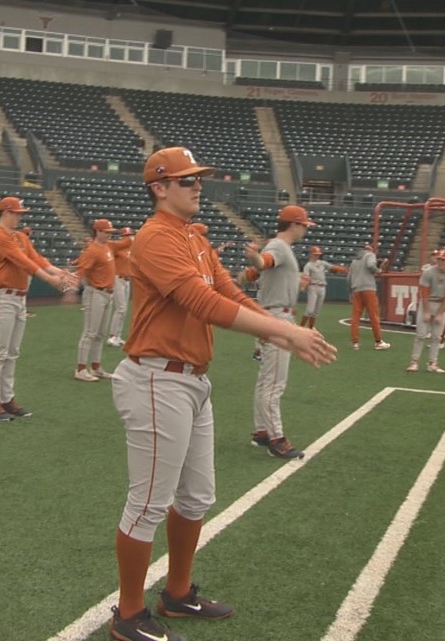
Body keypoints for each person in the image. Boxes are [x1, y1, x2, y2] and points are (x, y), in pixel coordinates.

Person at [109, 148, 336, 641]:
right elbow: (200, 301)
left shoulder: (193, 236)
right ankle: (128, 616)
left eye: (198, 179)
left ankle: (177, 593)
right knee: (149, 501)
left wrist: (280, 331)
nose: (197, 186)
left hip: (190, 378)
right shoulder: (154, 237)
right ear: (159, 187)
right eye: (187, 180)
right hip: (156, 377)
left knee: (196, 497)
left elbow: (229, 292)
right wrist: (289, 333)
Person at [0, 196, 77, 421]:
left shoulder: (20, 236)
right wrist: (50, 280)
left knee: (12, 352)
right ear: (6, 212)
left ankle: (7, 399)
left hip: (19, 297)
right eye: (17, 213)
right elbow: (22, 261)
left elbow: (37, 258)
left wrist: (60, 273)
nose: (20, 216)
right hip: (2, 296)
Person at [238, 205, 316, 460]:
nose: (306, 229)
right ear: (294, 224)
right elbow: (264, 262)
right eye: (304, 224)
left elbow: (254, 273)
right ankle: (276, 439)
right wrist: (255, 259)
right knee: (274, 383)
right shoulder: (279, 246)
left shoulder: (281, 248)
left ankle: (262, 431)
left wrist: (294, 283)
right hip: (277, 317)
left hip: (274, 313)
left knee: (266, 380)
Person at [74, 218, 118, 381]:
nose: (108, 235)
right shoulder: (93, 250)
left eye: (109, 232)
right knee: (90, 333)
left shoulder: (106, 247)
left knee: (100, 334)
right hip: (95, 293)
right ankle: (80, 369)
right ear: (98, 231)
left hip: (107, 293)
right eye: (106, 232)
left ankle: (96, 366)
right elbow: (82, 269)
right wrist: (71, 289)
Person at [407, 250, 445, 374]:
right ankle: (414, 361)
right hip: (428, 302)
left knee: (436, 337)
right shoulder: (428, 272)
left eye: (443, 260)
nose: (440, 262)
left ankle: (432, 363)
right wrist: (426, 311)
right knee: (421, 334)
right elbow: (423, 293)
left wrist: (440, 313)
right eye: (439, 259)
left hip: (441, 303)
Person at [348, 243, 392, 351]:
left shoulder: (354, 261)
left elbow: (349, 277)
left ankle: (355, 343)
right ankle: (378, 341)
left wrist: (350, 291)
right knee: (373, 315)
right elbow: (370, 265)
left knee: (355, 317)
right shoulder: (370, 255)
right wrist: (378, 271)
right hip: (368, 288)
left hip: (357, 289)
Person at [300, 245, 348, 329]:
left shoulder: (322, 263)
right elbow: (306, 277)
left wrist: (341, 269)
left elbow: (332, 267)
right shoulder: (308, 265)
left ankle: (311, 328)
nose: (317, 255)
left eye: (318, 254)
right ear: (311, 254)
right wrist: (304, 285)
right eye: (315, 254)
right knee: (309, 310)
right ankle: (300, 328)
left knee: (316, 311)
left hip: (322, 287)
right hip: (313, 286)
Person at [106, 227, 134, 347]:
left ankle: (117, 336)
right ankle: (112, 336)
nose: (128, 237)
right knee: (120, 308)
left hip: (127, 280)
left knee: (124, 310)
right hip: (118, 279)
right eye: (126, 235)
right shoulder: (117, 248)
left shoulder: (132, 249)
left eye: (129, 235)